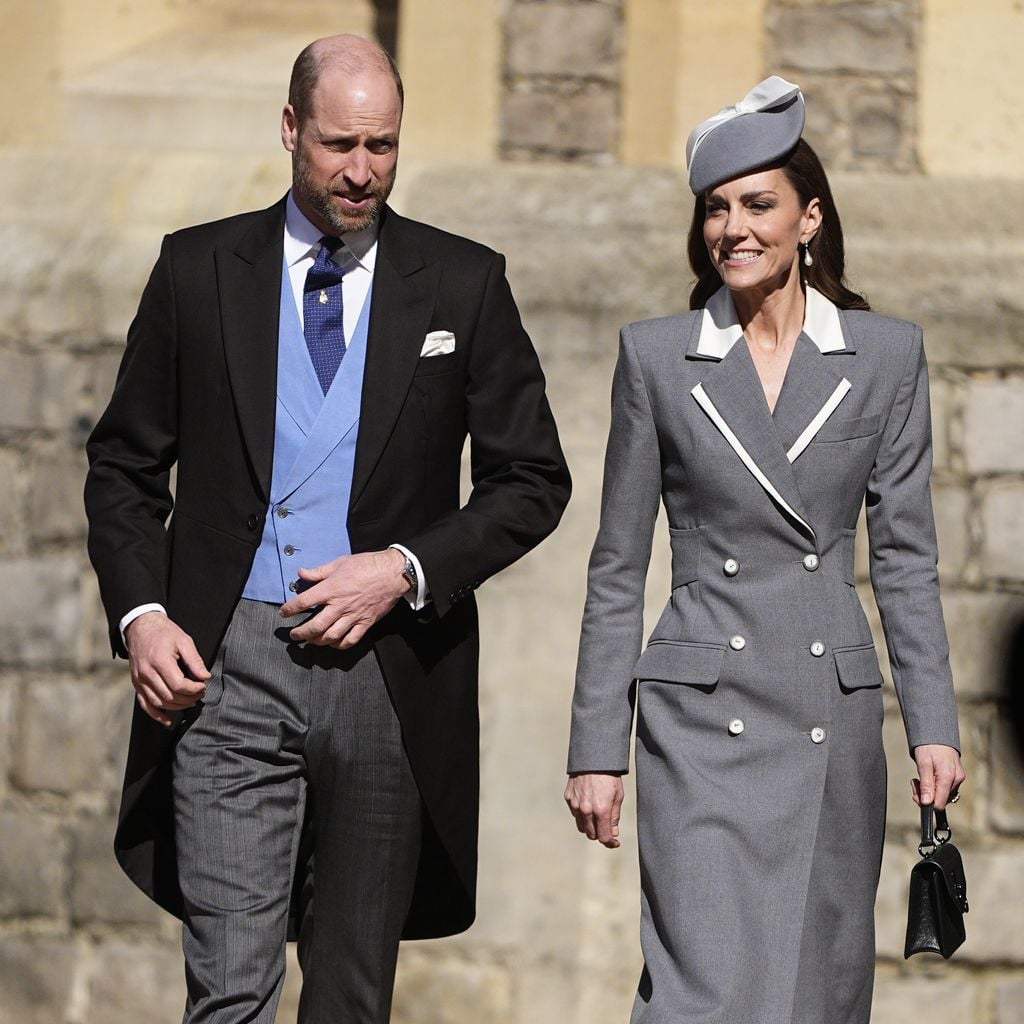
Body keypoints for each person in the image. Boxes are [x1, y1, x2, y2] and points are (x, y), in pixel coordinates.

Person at [85, 33, 570, 1024]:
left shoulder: (463, 284)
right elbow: (124, 469)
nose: (362, 171)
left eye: (383, 146)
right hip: (224, 670)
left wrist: (403, 569)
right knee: (229, 992)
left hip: (390, 678)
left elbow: (531, 481)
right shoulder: (195, 271)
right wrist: (143, 616)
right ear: (290, 129)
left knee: (350, 998)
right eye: (341, 144)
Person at [563, 77, 965, 1023]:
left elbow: (904, 556)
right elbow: (618, 564)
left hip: (829, 713)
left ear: (808, 218)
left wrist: (933, 724)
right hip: (699, 720)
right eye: (715, 208)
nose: (732, 228)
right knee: (697, 994)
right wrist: (595, 749)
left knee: (812, 997)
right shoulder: (659, 357)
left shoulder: (885, 356)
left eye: (757, 204)